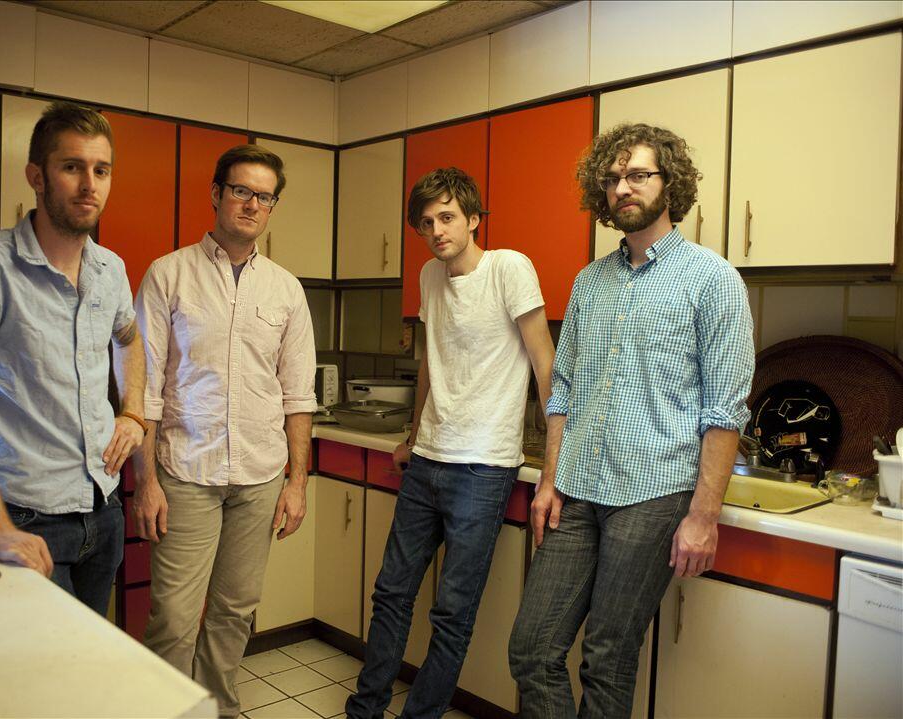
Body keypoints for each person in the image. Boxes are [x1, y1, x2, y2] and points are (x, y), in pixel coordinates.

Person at [508, 123, 755, 718]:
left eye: (638, 175)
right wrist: (548, 480)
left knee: (607, 660)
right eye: (613, 178)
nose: (623, 188)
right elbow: (564, 391)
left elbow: (725, 410)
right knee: (532, 650)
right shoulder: (589, 282)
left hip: (654, 495)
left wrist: (704, 516)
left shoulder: (713, 279)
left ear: (671, 182)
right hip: (577, 489)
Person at [347, 168, 555, 719]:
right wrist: (412, 437)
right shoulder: (429, 275)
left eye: (446, 217)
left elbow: (545, 366)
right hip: (426, 461)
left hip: (483, 468)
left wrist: (555, 469)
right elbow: (430, 364)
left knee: (452, 613)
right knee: (391, 593)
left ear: (473, 219)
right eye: (425, 222)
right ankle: (364, 710)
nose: (436, 231)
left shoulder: (509, 268)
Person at [0, 102, 146, 615]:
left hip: (104, 510)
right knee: (48, 660)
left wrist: (134, 413)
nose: (89, 185)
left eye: (101, 170)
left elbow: (130, 340)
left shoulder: (110, 269)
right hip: (29, 520)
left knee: (90, 655)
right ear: (37, 176)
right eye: (72, 167)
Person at [132, 144, 317, 718]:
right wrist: (146, 482)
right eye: (241, 191)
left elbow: (298, 395)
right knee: (174, 617)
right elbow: (144, 391)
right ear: (216, 194)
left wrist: (297, 482)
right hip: (186, 471)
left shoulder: (286, 289)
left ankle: (219, 709)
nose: (252, 204)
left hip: (260, 476)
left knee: (235, 611)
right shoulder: (168, 275)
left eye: (265, 196)